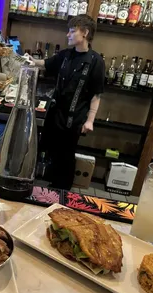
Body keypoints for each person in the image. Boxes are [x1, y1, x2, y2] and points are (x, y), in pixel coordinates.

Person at [31, 14, 105, 190]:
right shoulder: (65, 55)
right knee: (51, 151)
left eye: (72, 31)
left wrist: (90, 120)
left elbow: (97, 95)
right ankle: (50, 187)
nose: (68, 35)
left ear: (85, 33)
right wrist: (30, 61)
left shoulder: (96, 62)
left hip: (75, 118)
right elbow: (44, 64)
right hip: (55, 113)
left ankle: (62, 192)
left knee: (66, 155)